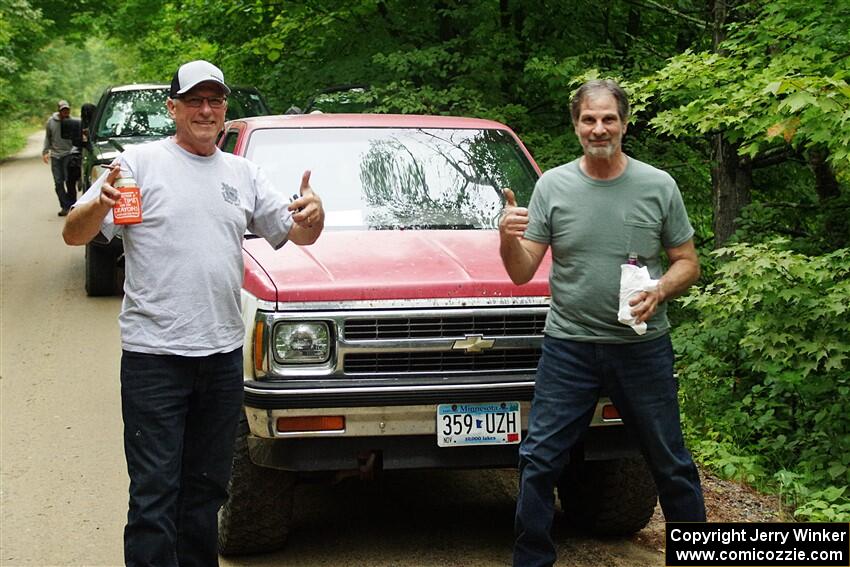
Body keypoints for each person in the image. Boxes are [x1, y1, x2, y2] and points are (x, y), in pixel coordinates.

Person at [62, 60, 325, 567]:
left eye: (215, 100)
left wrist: (314, 214)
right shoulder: (136, 166)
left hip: (222, 357)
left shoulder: (242, 172)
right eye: (194, 101)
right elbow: (75, 234)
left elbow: (296, 233)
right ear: (174, 108)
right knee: (155, 496)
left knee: (205, 494)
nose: (206, 110)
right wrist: (100, 206)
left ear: (225, 108)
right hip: (154, 359)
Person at [500, 79, 705, 567]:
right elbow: (522, 270)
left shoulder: (658, 185)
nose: (599, 128)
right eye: (589, 119)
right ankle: (532, 560)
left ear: (624, 123)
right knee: (538, 461)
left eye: (608, 118)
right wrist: (506, 237)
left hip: (642, 348)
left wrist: (660, 288)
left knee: (670, 463)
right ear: (576, 126)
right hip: (569, 347)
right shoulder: (553, 185)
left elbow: (687, 262)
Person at [42, 100, 77, 215]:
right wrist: (45, 151)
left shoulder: (73, 122)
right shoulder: (51, 122)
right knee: (58, 182)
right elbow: (48, 137)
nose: (65, 112)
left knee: (70, 181)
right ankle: (64, 206)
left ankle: (72, 205)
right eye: (63, 110)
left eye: (67, 110)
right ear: (59, 111)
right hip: (56, 155)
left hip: (69, 154)